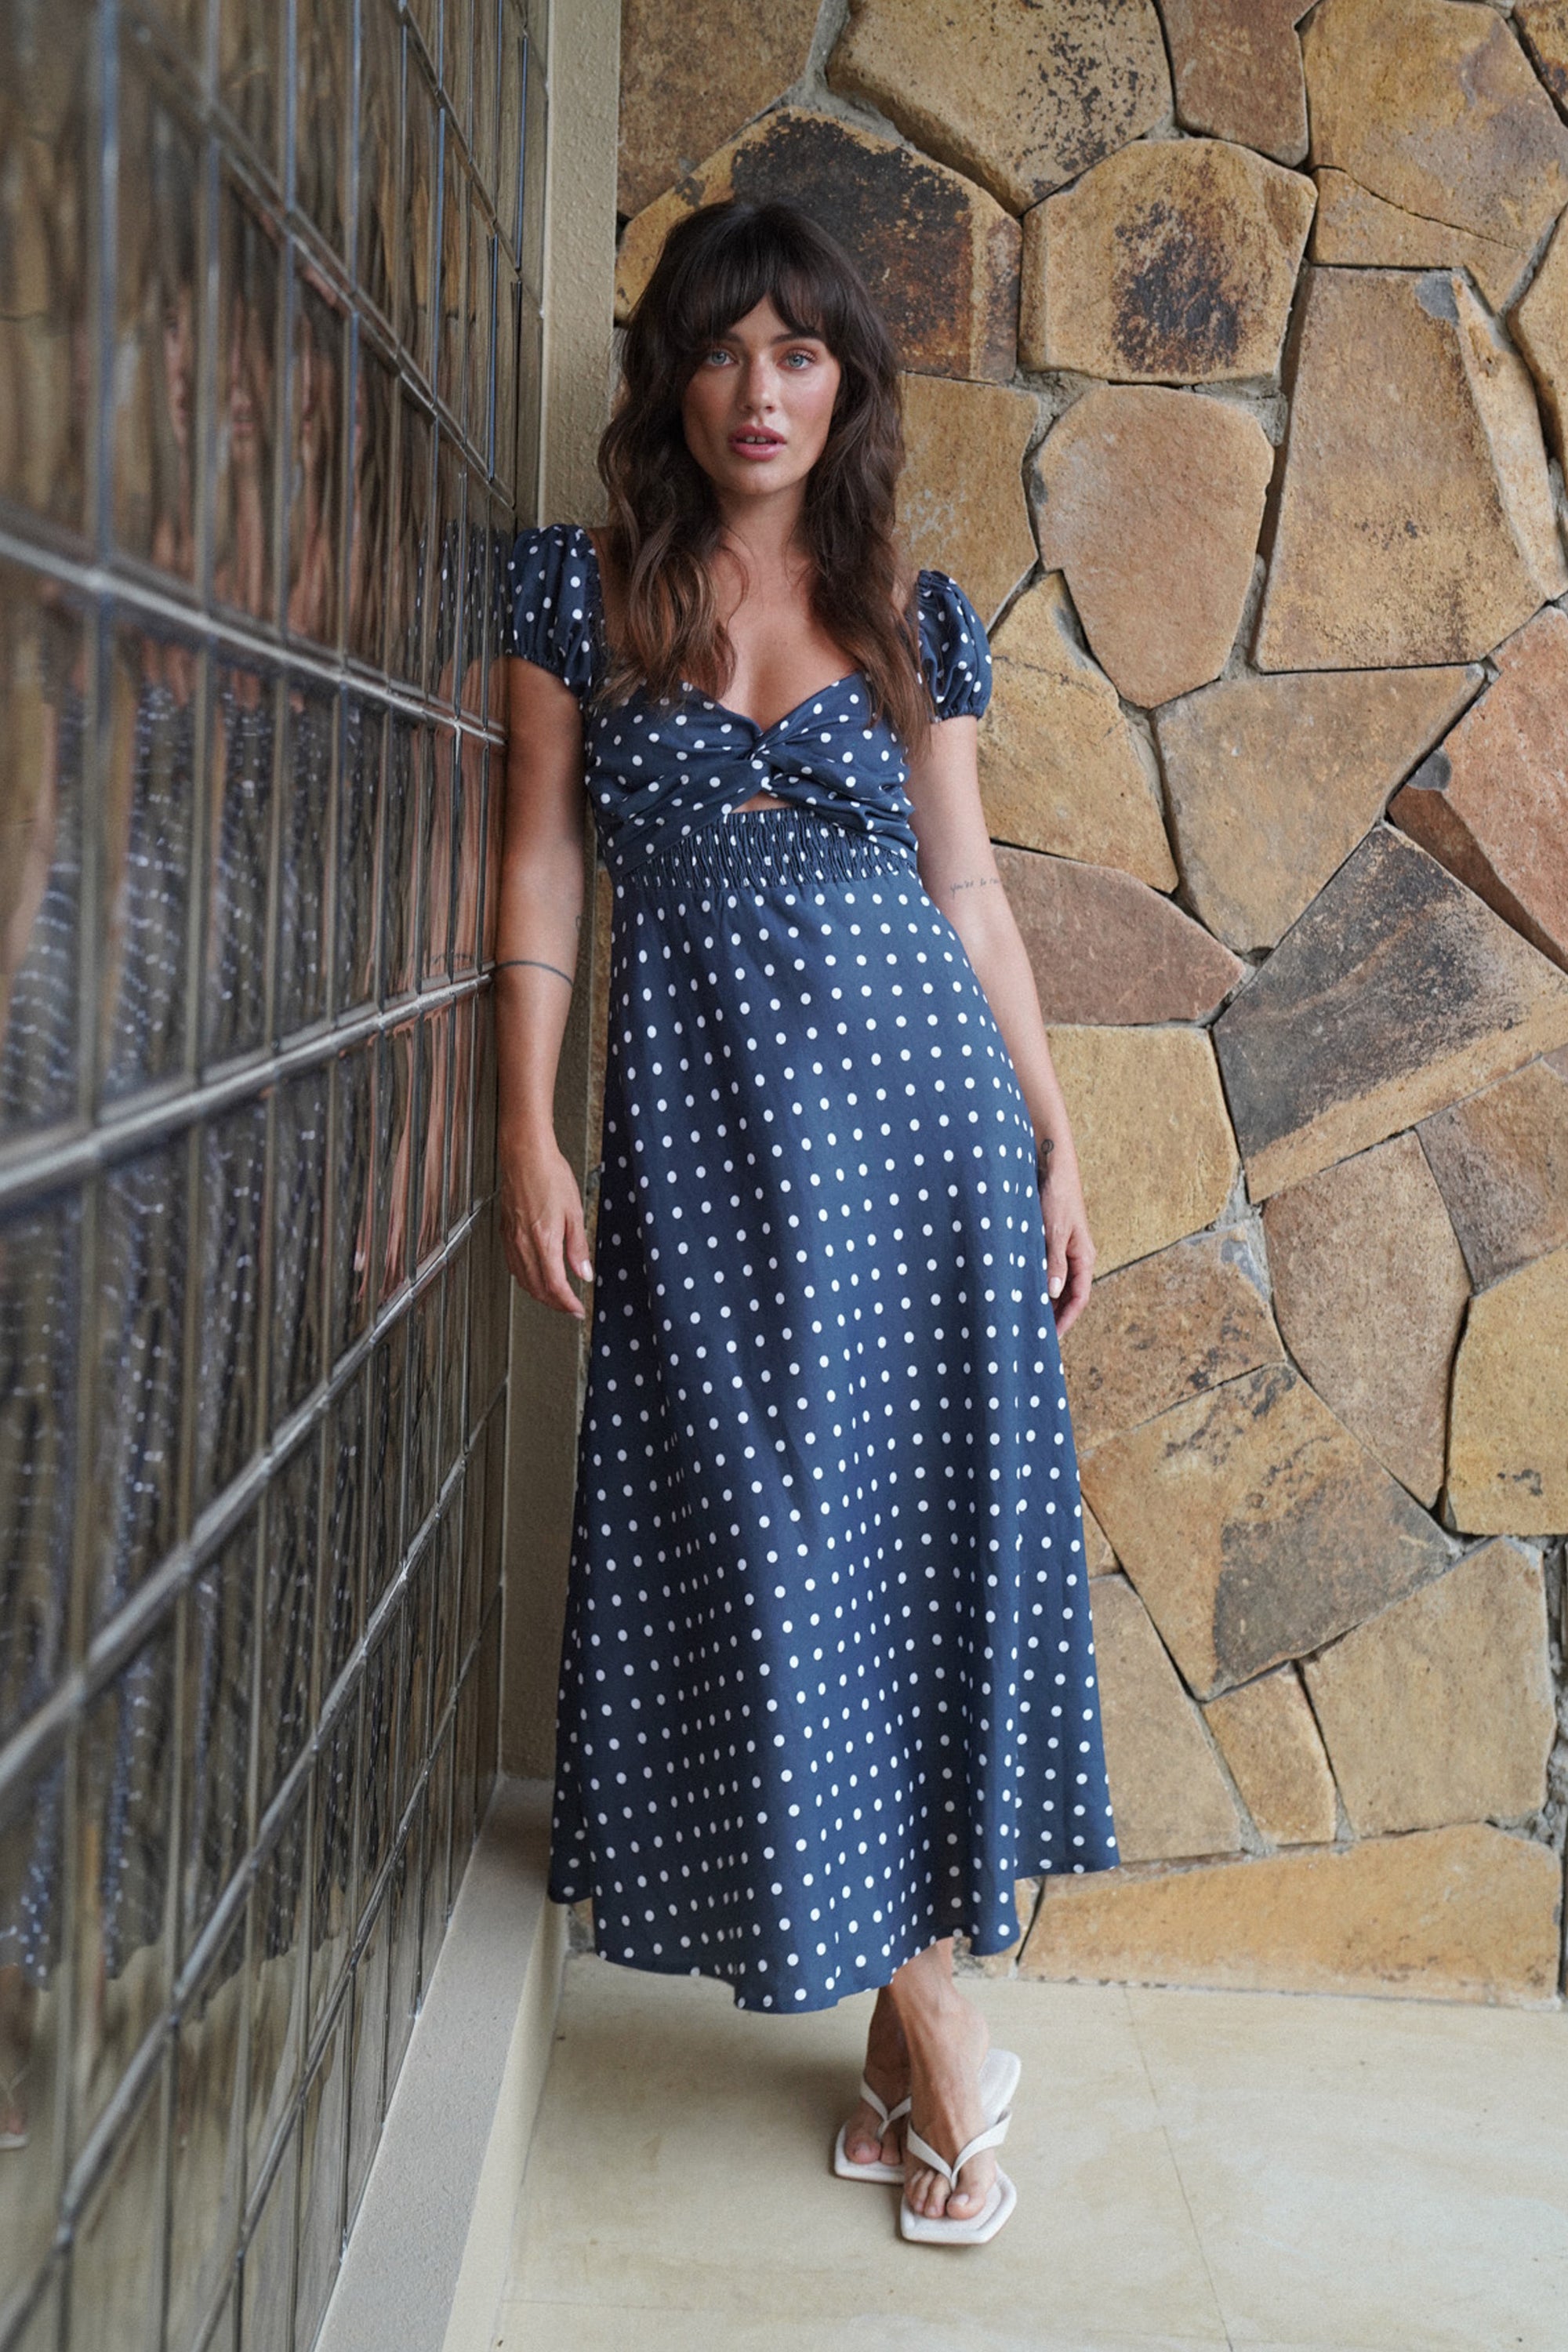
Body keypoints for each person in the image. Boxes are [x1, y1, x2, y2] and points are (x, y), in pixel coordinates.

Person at [497, 198, 1117, 2247]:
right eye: (722, 350)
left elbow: (974, 899)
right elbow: (540, 885)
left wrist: (1056, 1137)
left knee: (906, 1565)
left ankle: (920, 2069)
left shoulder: (907, 604)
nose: (760, 392)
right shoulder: (576, 596)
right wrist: (527, 1125)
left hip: (924, 1148)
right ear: (671, 379)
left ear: (841, 383)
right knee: (781, 1563)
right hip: (707, 1155)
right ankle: (930, 2049)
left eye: (800, 354)